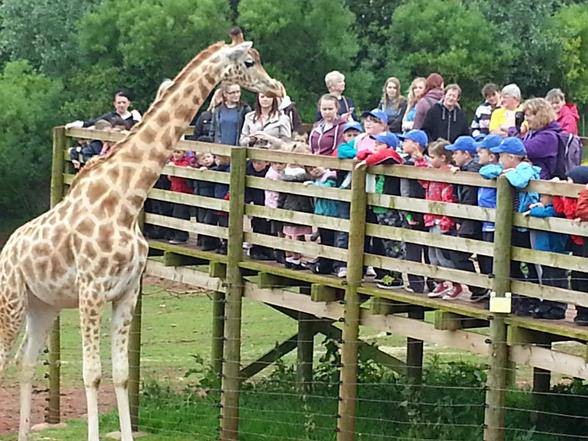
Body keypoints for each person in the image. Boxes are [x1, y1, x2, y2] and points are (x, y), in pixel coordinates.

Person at [481, 137, 541, 316]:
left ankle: (531, 300)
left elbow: (521, 181)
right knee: (510, 263)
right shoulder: (510, 168)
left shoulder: (526, 169)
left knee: (528, 264)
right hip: (512, 225)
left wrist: (506, 174)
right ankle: (516, 300)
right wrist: (503, 171)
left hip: (525, 225)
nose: (499, 160)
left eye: (501, 156)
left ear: (512, 157)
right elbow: (485, 170)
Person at [355, 132, 405, 289]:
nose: (375, 147)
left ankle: (396, 277)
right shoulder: (378, 159)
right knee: (384, 243)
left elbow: (388, 154)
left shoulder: (392, 157)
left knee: (393, 243)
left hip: (389, 209)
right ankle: (388, 274)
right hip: (379, 209)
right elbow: (363, 154)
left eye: (379, 144)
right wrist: (364, 155)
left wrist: (366, 161)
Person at [446, 136, 490, 302]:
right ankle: (480, 288)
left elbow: (469, 197)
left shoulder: (471, 170)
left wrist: (459, 215)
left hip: (472, 219)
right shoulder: (466, 169)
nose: (453, 157)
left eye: (456, 153)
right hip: (470, 218)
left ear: (466, 154)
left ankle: (479, 288)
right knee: (479, 254)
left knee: (459, 251)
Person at [413, 140, 459, 299]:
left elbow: (448, 199)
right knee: (432, 255)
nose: (430, 160)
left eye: (432, 157)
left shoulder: (447, 174)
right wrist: (419, 160)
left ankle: (456, 283)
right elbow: (422, 178)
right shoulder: (432, 172)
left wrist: (447, 219)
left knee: (443, 255)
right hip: (432, 219)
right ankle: (440, 283)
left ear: (443, 158)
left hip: (442, 221)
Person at [398, 129, 435, 294]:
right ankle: (428, 282)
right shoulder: (431, 162)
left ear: (416, 144)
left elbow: (405, 190)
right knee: (425, 246)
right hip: (426, 209)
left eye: (406, 141)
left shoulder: (409, 165)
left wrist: (406, 212)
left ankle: (418, 284)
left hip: (417, 208)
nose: (403, 143)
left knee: (415, 247)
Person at [524, 195, 569, 319]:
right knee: (546, 277)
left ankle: (558, 307)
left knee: (557, 278)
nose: (541, 199)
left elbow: (550, 212)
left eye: (544, 196)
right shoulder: (545, 208)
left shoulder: (555, 209)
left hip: (555, 249)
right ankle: (547, 304)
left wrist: (533, 210)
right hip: (544, 249)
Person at [553, 166, 588, 325]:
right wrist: (557, 192)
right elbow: (560, 209)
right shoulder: (571, 197)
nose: (567, 183)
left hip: (584, 241)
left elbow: (582, 212)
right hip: (576, 241)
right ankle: (581, 311)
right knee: (577, 277)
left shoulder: (583, 196)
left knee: (584, 276)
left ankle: (585, 312)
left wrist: (585, 194)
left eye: (570, 180)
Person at [278, 144, 314, 270]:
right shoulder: (303, 175)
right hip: (300, 207)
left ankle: (289, 258)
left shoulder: (285, 173)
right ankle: (297, 260)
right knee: (297, 235)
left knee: (288, 234)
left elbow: (281, 194)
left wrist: (279, 206)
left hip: (287, 206)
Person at [475, 135, 502, 280]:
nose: (478, 154)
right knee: (485, 261)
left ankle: (499, 298)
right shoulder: (487, 170)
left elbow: (487, 171)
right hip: (485, 223)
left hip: (494, 224)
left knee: (494, 263)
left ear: (491, 156)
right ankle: (489, 293)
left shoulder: (495, 171)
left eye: (481, 152)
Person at [304, 166, 338, 274]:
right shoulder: (317, 179)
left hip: (330, 213)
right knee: (323, 239)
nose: (314, 170)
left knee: (329, 240)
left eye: (315, 167)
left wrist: (312, 186)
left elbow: (326, 188)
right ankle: (323, 262)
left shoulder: (330, 176)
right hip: (321, 213)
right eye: (310, 170)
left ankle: (326, 266)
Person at [520, 98, 560, 180]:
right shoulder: (533, 132)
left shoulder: (548, 137)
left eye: (528, 115)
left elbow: (520, 149)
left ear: (539, 116)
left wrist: (514, 132)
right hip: (530, 178)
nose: (526, 119)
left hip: (541, 182)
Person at [65, 89, 142, 129]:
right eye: (119, 103)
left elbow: (138, 130)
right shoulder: (110, 116)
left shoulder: (133, 117)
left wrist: (137, 119)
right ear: (114, 104)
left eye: (124, 102)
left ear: (129, 103)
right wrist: (75, 124)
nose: (121, 105)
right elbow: (93, 122)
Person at [245, 153, 272, 260]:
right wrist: (248, 202)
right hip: (254, 201)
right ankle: (255, 249)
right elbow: (245, 189)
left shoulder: (269, 172)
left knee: (267, 227)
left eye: (259, 163)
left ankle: (267, 250)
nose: (257, 166)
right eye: (255, 163)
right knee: (257, 225)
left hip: (266, 201)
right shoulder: (247, 170)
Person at [167, 149, 193, 244]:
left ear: (184, 153)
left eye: (179, 152)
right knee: (174, 213)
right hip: (175, 191)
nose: (176, 154)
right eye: (174, 152)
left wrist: (174, 168)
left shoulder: (186, 163)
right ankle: (175, 234)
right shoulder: (173, 162)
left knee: (181, 214)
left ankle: (181, 237)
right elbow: (170, 178)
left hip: (183, 192)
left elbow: (183, 175)